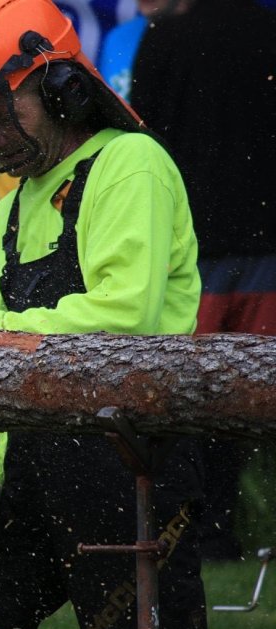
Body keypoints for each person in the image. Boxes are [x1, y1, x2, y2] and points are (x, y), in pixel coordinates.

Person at [0, 0, 207, 629]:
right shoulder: (9, 211)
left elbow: (126, 317)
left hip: (128, 465)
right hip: (29, 478)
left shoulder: (129, 166)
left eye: (0, 112)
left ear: (62, 90)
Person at [130, 0, 276, 561]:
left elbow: (143, 138)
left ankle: (200, 532)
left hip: (199, 244)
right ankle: (229, 531)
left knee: (196, 392)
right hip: (267, 242)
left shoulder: (164, 38)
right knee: (257, 390)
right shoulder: (268, 29)